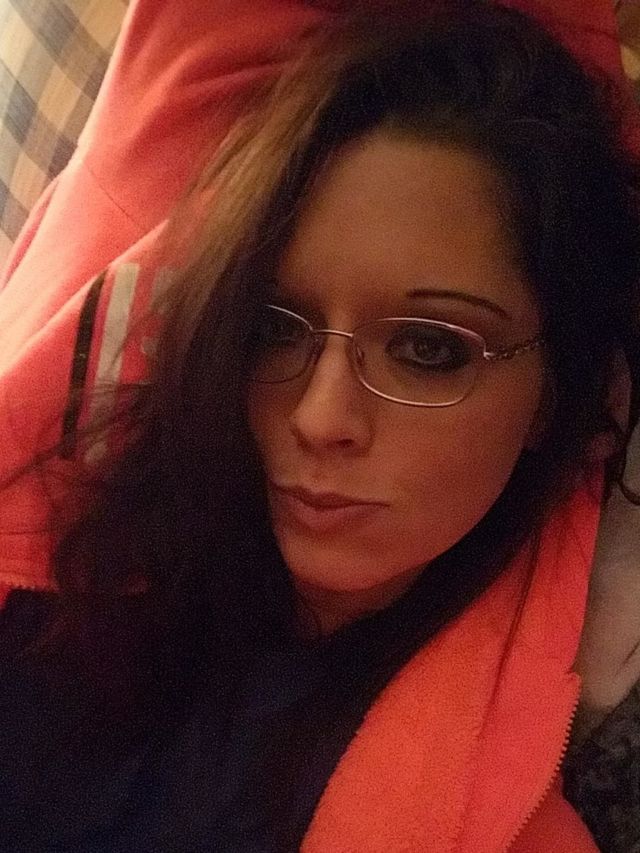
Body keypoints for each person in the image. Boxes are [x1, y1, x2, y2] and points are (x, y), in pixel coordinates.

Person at [0, 4, 639, 852]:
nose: (319, 415)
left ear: (555, 395)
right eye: (276, 327)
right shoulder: (66, 567)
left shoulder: (512, 829)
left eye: (428, 348)